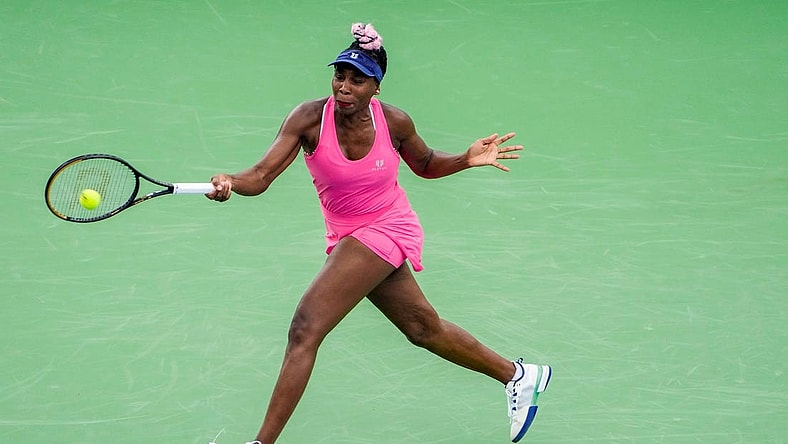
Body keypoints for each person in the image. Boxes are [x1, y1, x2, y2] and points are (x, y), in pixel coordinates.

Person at [206, 23, 551, 444]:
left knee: (305, 328)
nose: (344, 87)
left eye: (357, 79)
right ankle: (518, 376)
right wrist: (230, 182)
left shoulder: (395, 122)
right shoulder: (308, 119)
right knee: (423, 329)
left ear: (376, 87)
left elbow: (424, 163)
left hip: (387, 226)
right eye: (339, 76)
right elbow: (261, 175)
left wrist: (464, 158)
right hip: (345, 234)